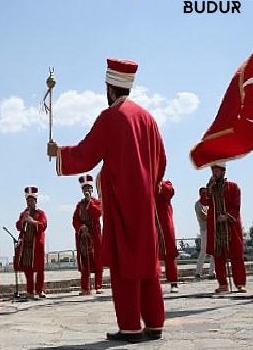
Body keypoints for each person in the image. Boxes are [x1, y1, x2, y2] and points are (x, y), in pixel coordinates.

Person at [47, 58, 166, 343]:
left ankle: (130, 328)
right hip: (145, 201)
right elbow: (162, 159)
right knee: (147, 266)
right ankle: (155, 323)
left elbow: (87, 153)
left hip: (122, 200)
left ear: (111, 88)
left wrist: (58, 152)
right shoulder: (148, 117)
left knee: (125, 265)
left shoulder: (111, 117)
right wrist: (148, 185)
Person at [204, 163, 246, 294]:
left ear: (223, 172)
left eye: (217, 171)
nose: (215, 173)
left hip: (230, 225)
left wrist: (227, 216)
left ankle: (239, 283)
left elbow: (236, 205)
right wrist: (209, 189)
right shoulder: (209, 189)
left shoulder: (233, 187)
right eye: (213, 171)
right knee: (218, 255)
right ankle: (222, 283)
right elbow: (204, 201)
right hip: (216, 227)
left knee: (236, 254)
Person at [72, 175, 103, 295]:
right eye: (85, 189)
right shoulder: (79, 205)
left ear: (92, 190)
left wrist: (90, 203)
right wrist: (80, 226)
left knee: (98, 260)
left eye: (89, 188)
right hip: (83, 236)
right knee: (85, 261)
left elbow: (97, 213)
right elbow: (75, 219)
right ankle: (85, 288)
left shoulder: (97, 202)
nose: (87, 191)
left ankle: (98, 286)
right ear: (82, 190)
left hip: (95, 235)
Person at [15, 186, 47, 299]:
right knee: (27, 269)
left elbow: (43, 225)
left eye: (32, 201)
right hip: (26, 246)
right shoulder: (23, 213)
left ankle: (40, 290)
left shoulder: (41, 213)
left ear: (36, 201)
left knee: (39, 269)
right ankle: (30, 291)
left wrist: (32, 221)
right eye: (28, 201)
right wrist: (23, 220)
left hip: (36, 245)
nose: (29, 203)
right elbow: (18, 226)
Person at [155, 180, 179, 293]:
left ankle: (174, 282)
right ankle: (154, 283)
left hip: (165, 223)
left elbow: (169, 193)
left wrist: (159, 183)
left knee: (170, 252)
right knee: (151, 254)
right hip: (151, 222)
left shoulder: (166, 184)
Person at [195, 187, 215, 279]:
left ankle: (212, 272)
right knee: (203, 250)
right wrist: (212, 217)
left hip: (212, 228)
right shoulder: (198, 204)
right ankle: (198, 272)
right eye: (203, 192)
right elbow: (203, 216)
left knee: (213, 251)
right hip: (204, 229)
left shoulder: (208, 204)